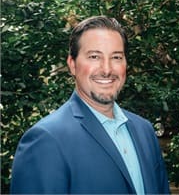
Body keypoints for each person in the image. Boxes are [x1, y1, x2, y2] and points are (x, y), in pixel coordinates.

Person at [10, 16, 170, 194]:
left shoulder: (145, 131)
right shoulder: (46, 140)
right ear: (72, 65)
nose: (107, 69)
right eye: (94, 56)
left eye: (116, 57)